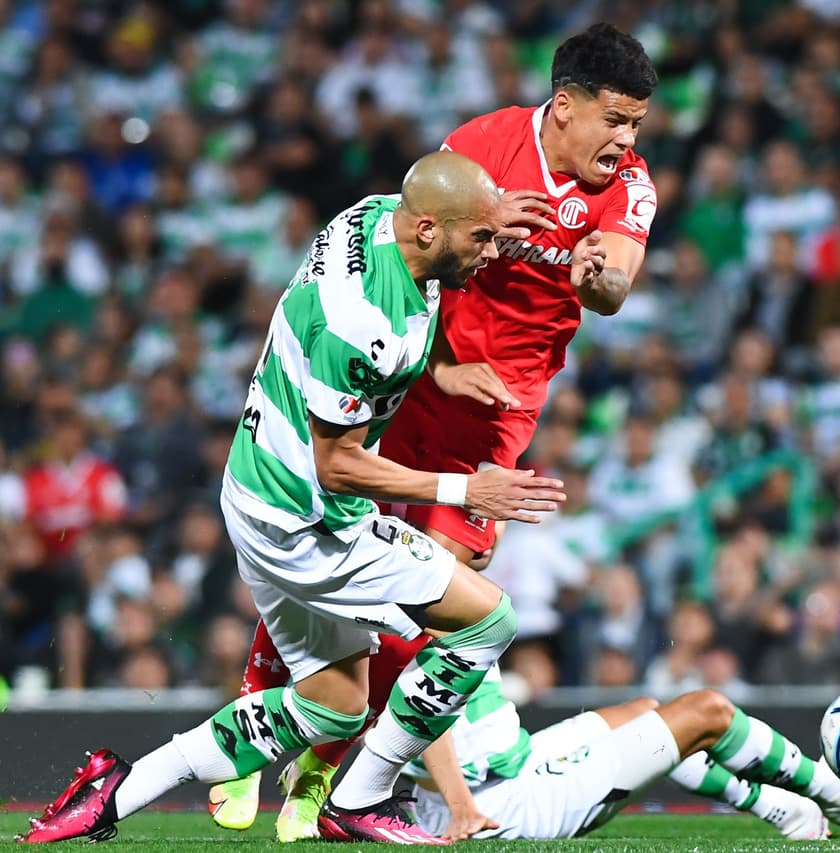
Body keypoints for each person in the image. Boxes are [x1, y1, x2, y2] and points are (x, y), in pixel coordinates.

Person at [21, 152, 570, 845]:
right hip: (308, 525)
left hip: (254, 494)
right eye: (481, 240)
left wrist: (448, 361)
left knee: (337, 708)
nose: (491, 254)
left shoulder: (370, 216)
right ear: (428, 229)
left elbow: (406, 303)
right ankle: (359, 796)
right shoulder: (367, 325)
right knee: (488, 622)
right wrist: (470, 488)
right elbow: (339, 466)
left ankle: (119, 787)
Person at [212, 23, 661, 838]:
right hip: (419, 375)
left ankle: (330, 771)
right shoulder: (481, 147)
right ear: (565, 106)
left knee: (435, 600)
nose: (627, 141)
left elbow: (616, 284)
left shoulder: (632, 187)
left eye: (637, 125)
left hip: (500, 412)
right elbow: (415, 245)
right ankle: (261, 728)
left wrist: (601, 279)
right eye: (616, 121)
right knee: (331, 542)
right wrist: (448, 349)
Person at [397, 668, 840, 841]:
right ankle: (832, 793)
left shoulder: (434, 590)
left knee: (645, 711)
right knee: (707, 711)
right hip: (495, 805)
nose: (492, 531)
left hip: (512, 764)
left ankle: (782, 809)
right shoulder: (425, 609)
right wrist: (462, 806)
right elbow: (422, 715)